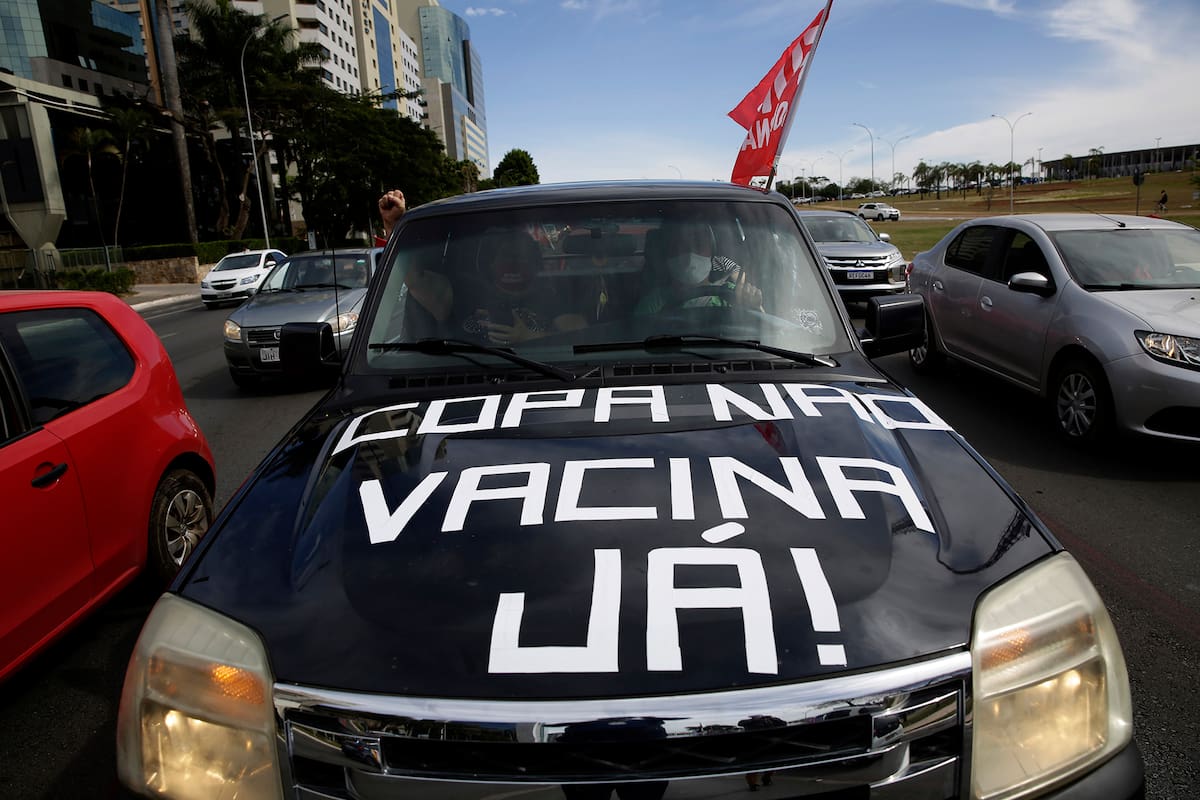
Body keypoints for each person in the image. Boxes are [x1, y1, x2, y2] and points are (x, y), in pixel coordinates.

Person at [634, 219, 763, 314]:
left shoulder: (733, 295)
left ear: (712, 250)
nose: (690, 252)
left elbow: (764, 333)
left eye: (699, 244)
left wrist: (753, 306)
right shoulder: (654, 304)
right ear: (668, 253)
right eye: (680, 245)